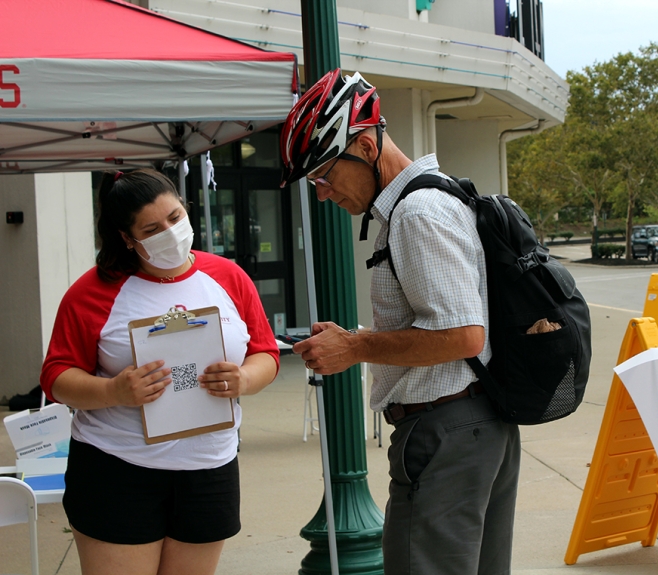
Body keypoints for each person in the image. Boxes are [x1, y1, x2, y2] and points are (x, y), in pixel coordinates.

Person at [280, 69, 521, 575]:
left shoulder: (416, 213)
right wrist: (356, 340)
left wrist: (357, 348)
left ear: (366, 147)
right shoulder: (436, 199)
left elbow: (461, 335)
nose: (322, 193)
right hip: (474, 425)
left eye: (324, 173)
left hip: (446, 430)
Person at [40, 169, 280, 575]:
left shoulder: (228, 276)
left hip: (209, 467)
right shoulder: (91, 292)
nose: (170, 232)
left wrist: (246, 379)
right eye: (152, 228)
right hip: (117, 468)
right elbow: (57, 376)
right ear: (126, 238)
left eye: (174, 217)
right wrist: (114, 391)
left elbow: (265, 353)